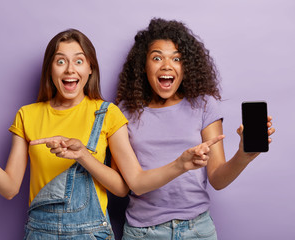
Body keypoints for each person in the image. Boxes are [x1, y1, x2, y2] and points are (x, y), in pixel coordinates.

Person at [0, 28, 224, 239]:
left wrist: (83, 155)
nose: (70, 69)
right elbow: (10, 188)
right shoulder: (27, 115)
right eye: (61, 61)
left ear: (90, 67)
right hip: (40, 233)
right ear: (50, 68)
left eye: (79, 61)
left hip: (92, 232)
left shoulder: (107, 113)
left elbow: (122, 187)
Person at [115, 18, 275, 239]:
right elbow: (136, 184)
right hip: (143, 232)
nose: (167, 65)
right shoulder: (124, 111)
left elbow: (217, 179)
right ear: (143, 66)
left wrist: (243, 155)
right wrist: (180, 165)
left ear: (186, 65)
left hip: (197, 230)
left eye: (177, 58)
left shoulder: (204, 105)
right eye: (157, 57)